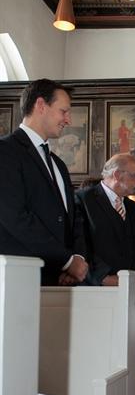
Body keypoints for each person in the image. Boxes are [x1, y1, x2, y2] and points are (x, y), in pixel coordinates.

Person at [0, 78, 88, 285]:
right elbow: (14, 216)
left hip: (57, 280)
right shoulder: (5, 151)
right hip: (19, 279)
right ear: (41, 105)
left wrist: (78, 258)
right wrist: (66, 260)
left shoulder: (59, 164)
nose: (68, 120)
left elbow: (74, 219)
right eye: (63, 111)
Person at [76, 153, 135, 286]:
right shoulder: (83, 200)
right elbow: (79, 246)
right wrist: (101, 278)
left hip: (132, 291)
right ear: (117, 175)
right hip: (95, 291)